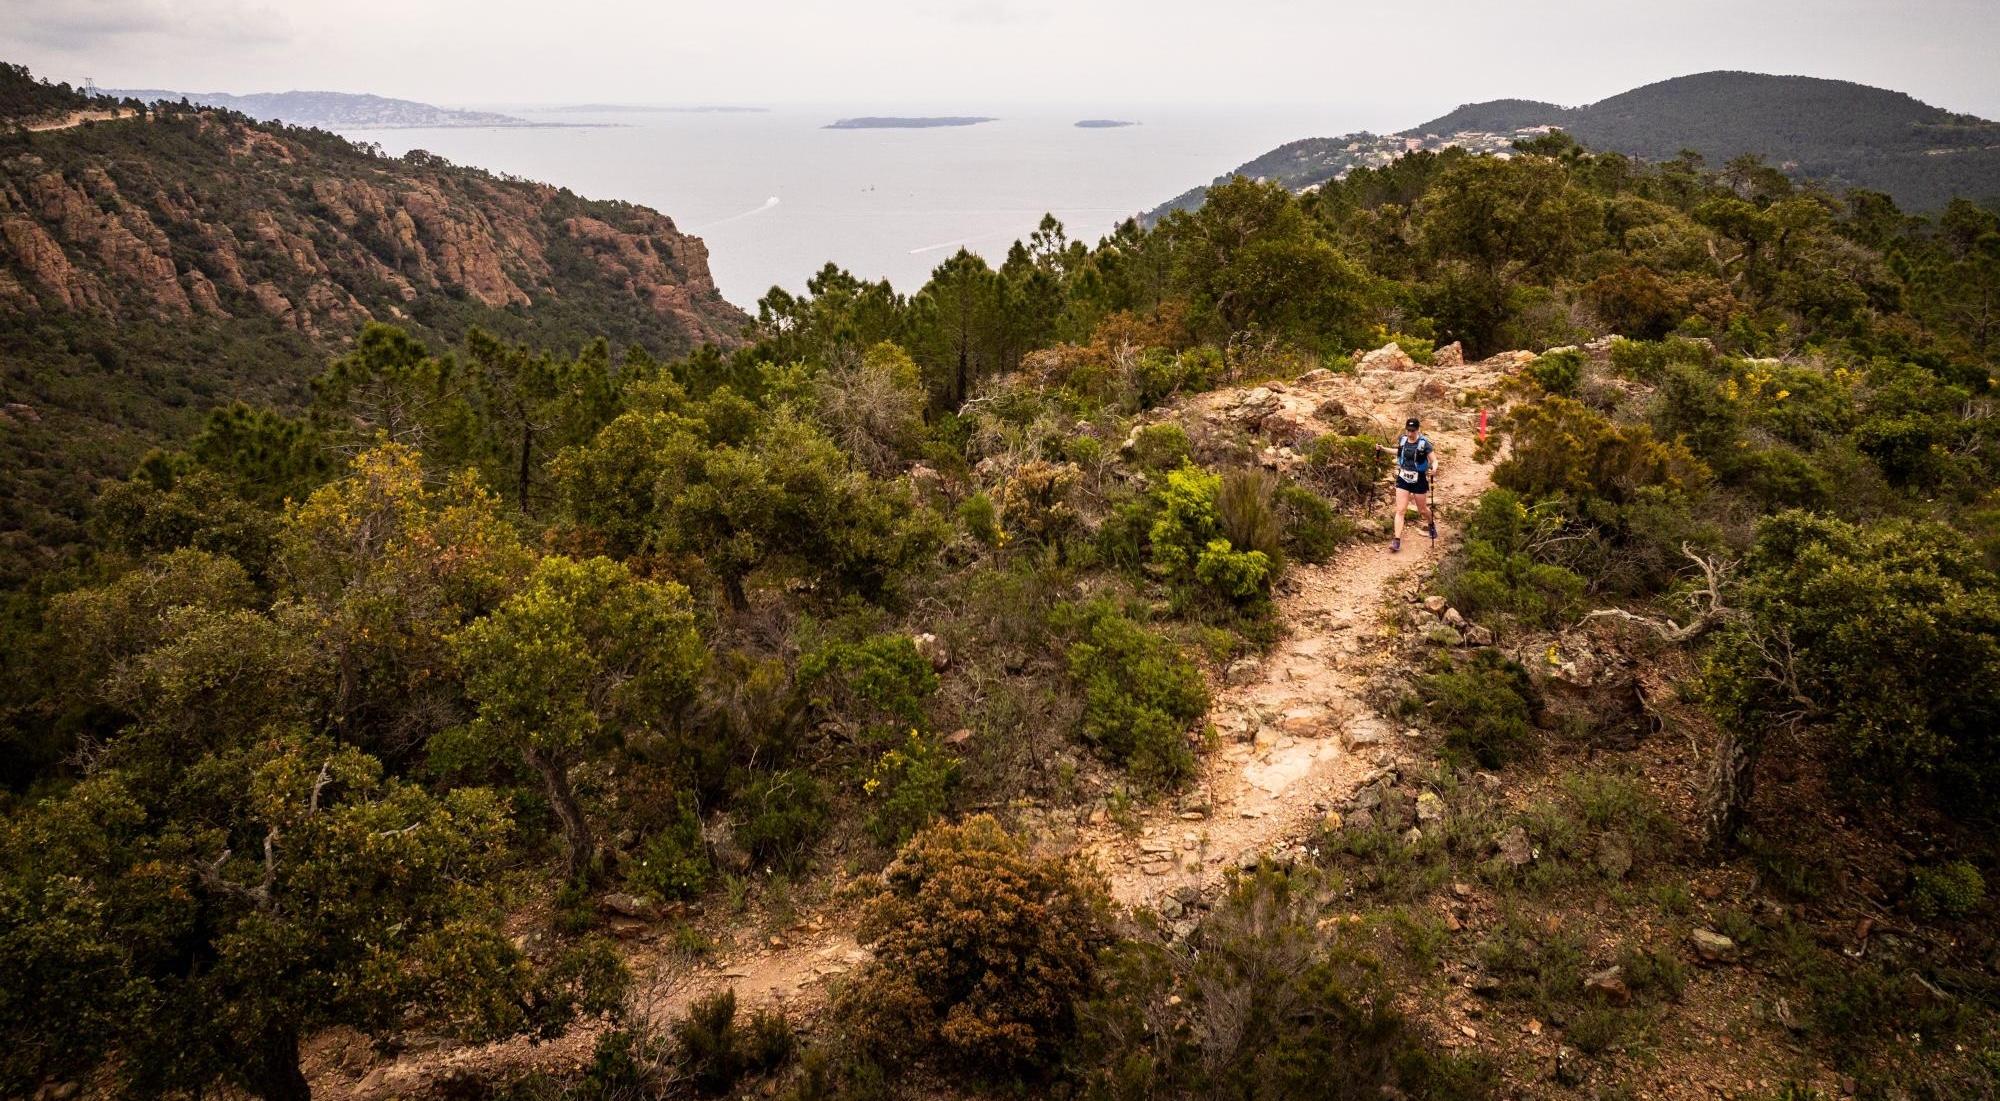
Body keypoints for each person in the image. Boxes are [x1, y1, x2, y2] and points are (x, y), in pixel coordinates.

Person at [1376, 417, 1437, 553]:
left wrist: (1434, 468)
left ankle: (1431, 523)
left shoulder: (1424, 444)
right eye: (1408, 430)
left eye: (1413, 431)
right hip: (1403, 478)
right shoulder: (1403, 440)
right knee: (1400, 510)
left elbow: (1434, 460)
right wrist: (1383, 449)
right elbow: (1398, 452)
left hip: (1419, 479)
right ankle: (1396, 540)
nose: (1410, 433)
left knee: (1422, 510)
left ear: (1418, 430)